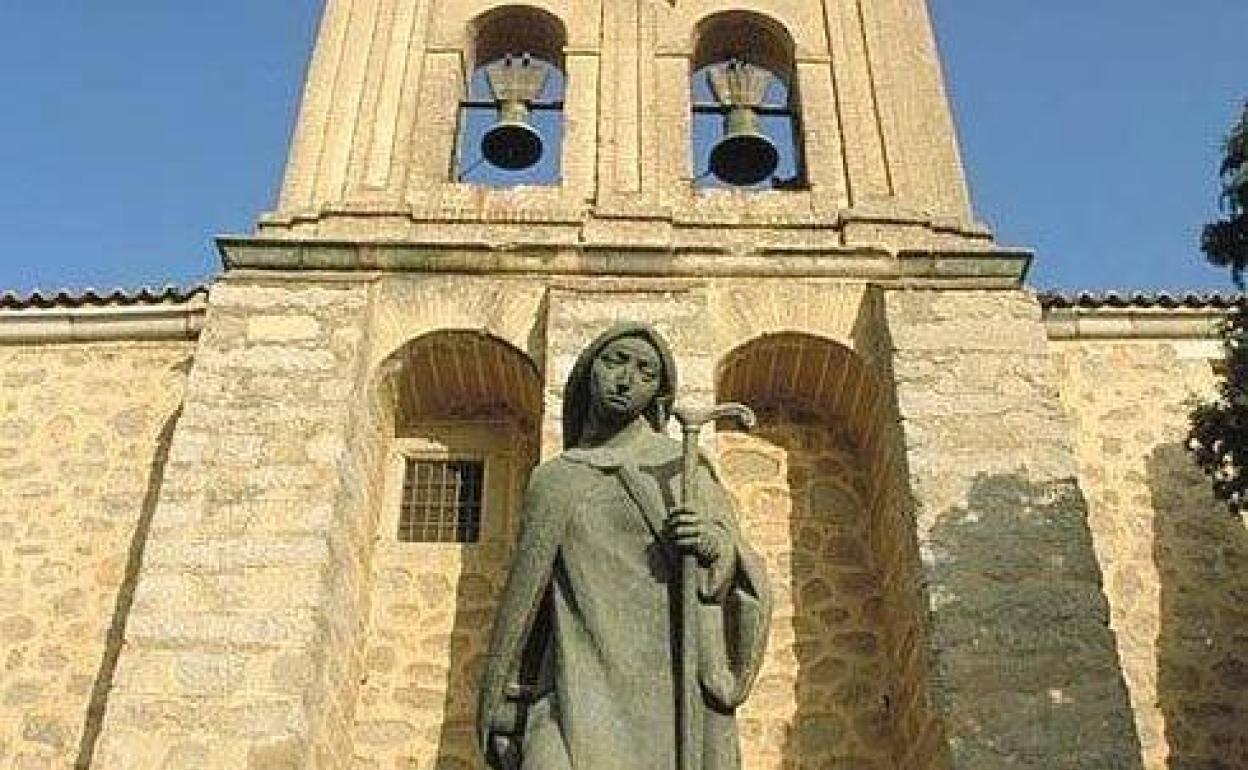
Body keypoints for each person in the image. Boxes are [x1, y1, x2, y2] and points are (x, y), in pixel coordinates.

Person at [478, 323, 772, 770]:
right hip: (572, 679)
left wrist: (712, 546)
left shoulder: (678, 469)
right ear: (587, 372)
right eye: (615, 362)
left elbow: (739, 569)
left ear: (658, 394)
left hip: (666, 685)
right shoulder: (556, 479)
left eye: (645, 371)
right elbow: (529, 600)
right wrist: (505, 699)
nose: (626, 379)